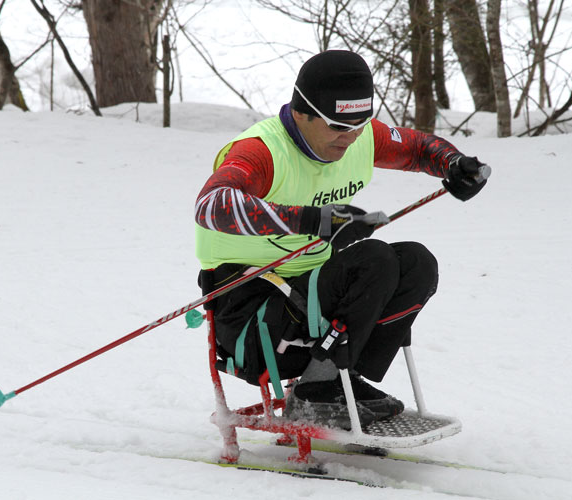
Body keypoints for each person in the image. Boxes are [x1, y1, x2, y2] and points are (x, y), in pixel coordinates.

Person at [194, 50, 488, 430]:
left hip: (308, 302)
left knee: (417, 262)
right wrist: (315, 220)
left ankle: (338, 380)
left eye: (359, 125)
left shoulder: (358, 136)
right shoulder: (263, 151)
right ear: (301, 113)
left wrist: (454, 164)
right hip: (251, 314)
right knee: (374, 259)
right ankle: (315, 393)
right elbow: (210, 205)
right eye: (336, 126)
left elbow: (416, 148)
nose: (349, 137)